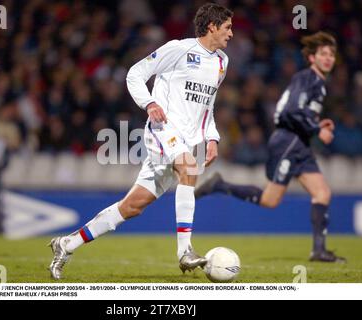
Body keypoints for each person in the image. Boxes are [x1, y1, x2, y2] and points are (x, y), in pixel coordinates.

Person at [48, 3, 234, 280]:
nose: (231, 34)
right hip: (162, 130)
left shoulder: (222, 62)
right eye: (228, 27)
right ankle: (185, 252)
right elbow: (135, 74)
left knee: (132, 207)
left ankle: (66, 244)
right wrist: (149, 103)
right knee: (188, 168)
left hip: (187, 139)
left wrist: (212, 137)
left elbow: (207, 107)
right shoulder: (178, 49)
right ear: (212, 26)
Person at [195, 32, 346, 263]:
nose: (328, 58)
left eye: (332, 55)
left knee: (322, 193)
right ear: (311, 58)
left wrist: (315, 124)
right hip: (288, 142)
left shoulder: (317, 82)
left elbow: (298, 112)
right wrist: (317, 130)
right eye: (323, 54)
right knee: (270, 200)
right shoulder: (308, 78)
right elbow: (289, 112)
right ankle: (220, 185)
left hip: (299, 143)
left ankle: (318, 251)